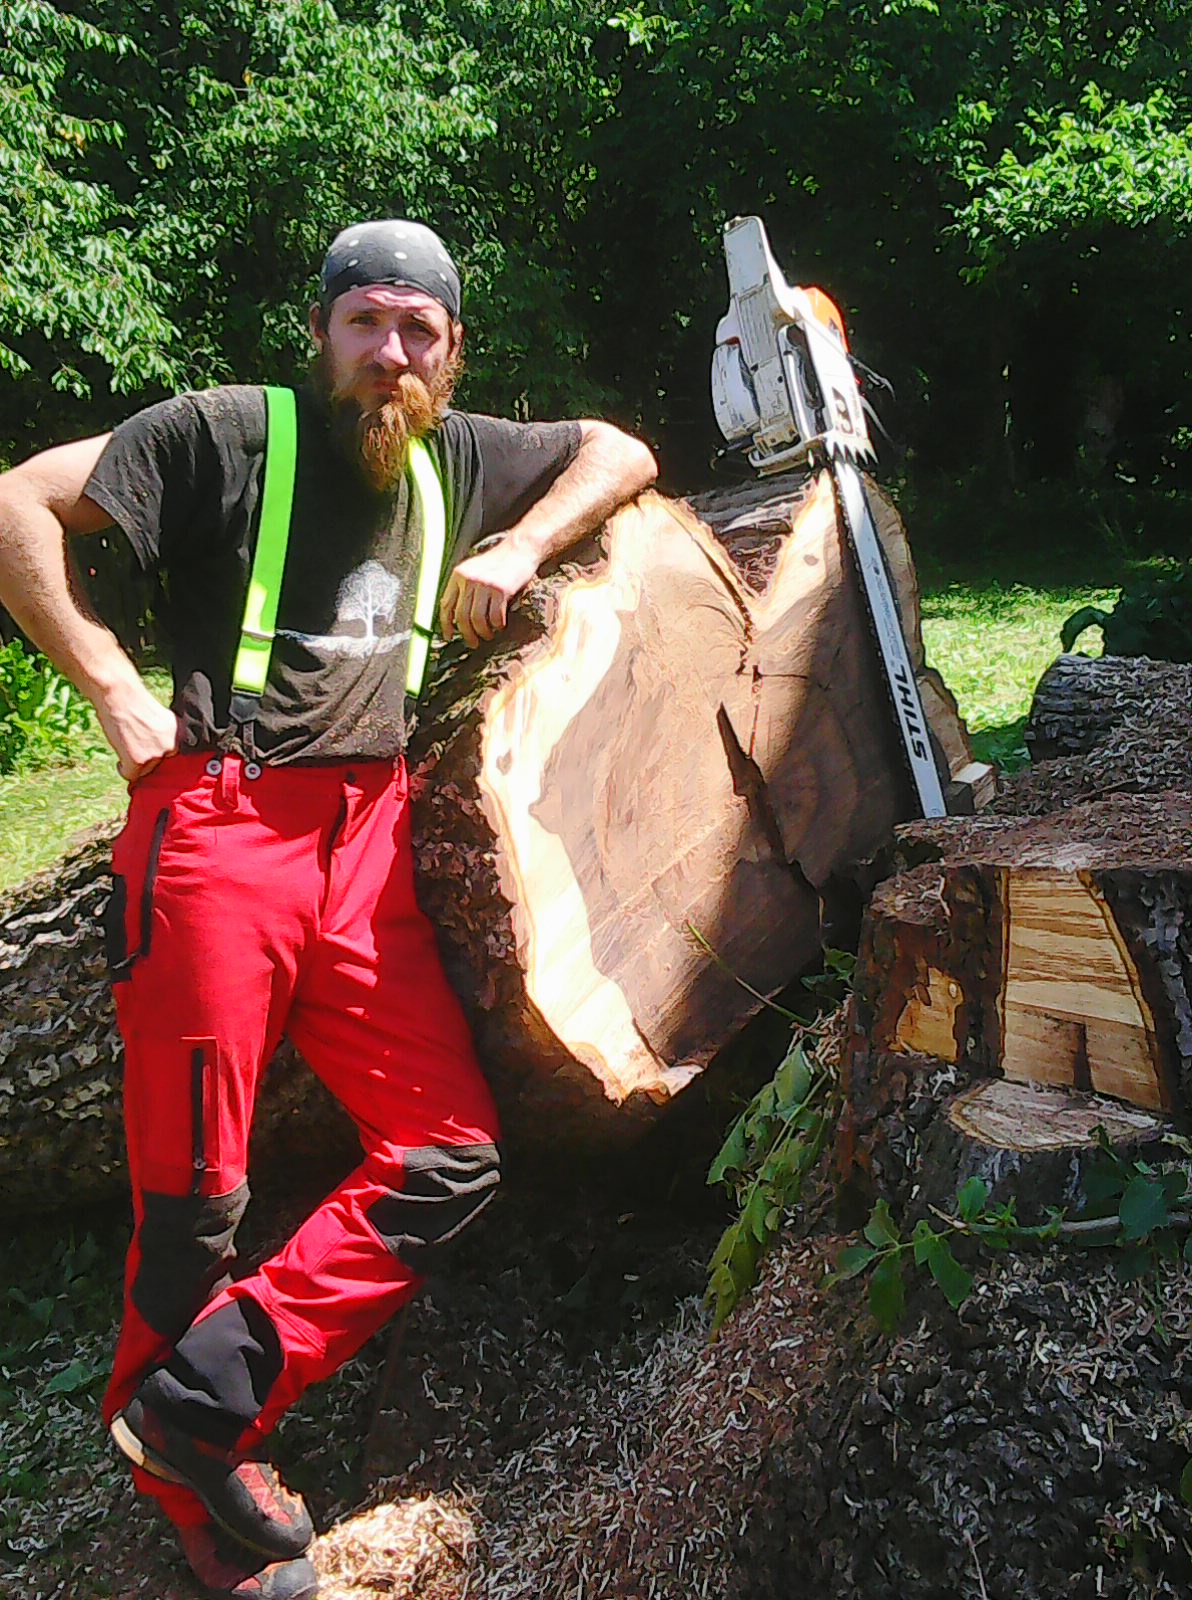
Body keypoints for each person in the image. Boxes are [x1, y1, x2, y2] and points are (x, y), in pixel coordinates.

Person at [0, 219, 657, 1600]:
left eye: (419, 332)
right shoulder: (226, 432)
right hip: (219, 831)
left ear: (453, 348)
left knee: (449, 1154)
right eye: (366, 324)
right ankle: (189, 1504)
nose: (392, 355)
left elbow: (624, 448)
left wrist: (522, 541)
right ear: (323, 333)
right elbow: (15, 498)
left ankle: (192, 1410)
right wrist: (113, 685)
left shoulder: (455, 454)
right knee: (196, 1196)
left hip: (369, 845)